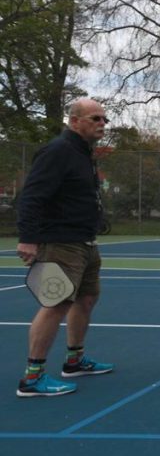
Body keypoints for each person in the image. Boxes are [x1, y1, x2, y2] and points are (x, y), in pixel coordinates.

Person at [15, 97, 115, 397]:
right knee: (55, 304)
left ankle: (74, 361)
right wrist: (28, 238)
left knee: (86, 299)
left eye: (104, 119)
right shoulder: (58, 151)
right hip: (59, 243)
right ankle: (32, 378)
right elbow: (32, 196)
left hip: (84, 242)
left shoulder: (84, 153)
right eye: (95, 118)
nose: (101, 124)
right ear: (74, 121)